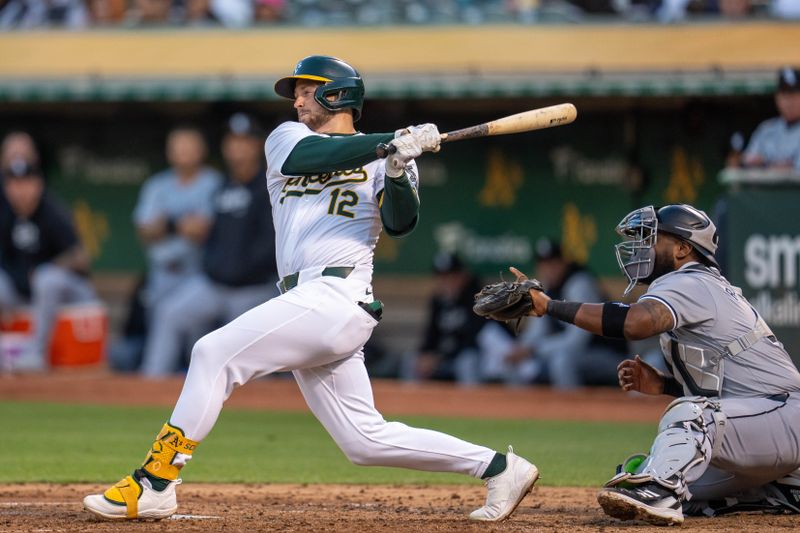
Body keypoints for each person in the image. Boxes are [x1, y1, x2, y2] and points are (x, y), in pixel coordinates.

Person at [83, 55, 538, 522]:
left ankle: (156, 480)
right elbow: (310, 158)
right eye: (297, 90)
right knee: (364, 440)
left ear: (338, 94)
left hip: (338, 294)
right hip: (303, 300)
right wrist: (388, 143)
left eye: (306, 88)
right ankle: (501, 467)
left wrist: (399, 167)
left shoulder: (386, 159)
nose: (297, 98)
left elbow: (401, 224)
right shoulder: (287, 138)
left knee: (212, 353)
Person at [502, 203, 800, 525]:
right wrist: (664, 385)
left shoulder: (691, 280)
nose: (643, 247)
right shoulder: (700, 285)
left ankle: (661, 493)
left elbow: (635, 323)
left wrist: (549, 306)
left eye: (653, 238)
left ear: (684, 249)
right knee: (646, 470)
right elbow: (729, 387)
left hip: (785, 416)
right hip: (769, 426)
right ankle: (777, 489)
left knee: (688, 419)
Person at [138, 113, 279, 377]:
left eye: (244, 141)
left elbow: (271, 247)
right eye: (232, 141)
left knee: (242, 347)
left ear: (257, 145)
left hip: (253, 290)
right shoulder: (221, 185)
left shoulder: (270, 187)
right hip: (214, 286)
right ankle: (151, 384)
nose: (237, 148)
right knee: (170, 313)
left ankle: (255, 402)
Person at [0, 134, 96, 371]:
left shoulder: (52, 210)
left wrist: (50, 267)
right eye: (14, 183)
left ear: (38, 184)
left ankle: (37, 354)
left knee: (47, 278)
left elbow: (82, 258)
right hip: (22, 292)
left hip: (68, 293)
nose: (20, 190)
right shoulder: (4, 213)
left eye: (26, 182)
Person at [482, 238, 627, 388]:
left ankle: (572, 410)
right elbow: (537, 331)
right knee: (515, 362)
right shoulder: (546, 288)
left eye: (553, 263)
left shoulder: (580, 283)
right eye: (543, 264)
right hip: (571, 353)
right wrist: (519, 349)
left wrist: (533, 350)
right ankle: (525, 411)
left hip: (606, 353)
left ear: (563, 262)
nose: (548, 269)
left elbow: (577, 342)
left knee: (562, 361)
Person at [132, 126, 221, 370]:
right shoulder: (157, 185)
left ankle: (195, 389)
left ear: (201, 151)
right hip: (161, 274)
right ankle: (154, 390)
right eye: (177, 148)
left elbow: (201, 229)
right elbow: (145, 230)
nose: (183, 153)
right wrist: (180, 224)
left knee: (197, 342)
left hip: (197, 273)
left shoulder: (212, 182)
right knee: (159, 332)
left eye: (188, 147)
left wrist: (167, 224)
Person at [401, 251, 491, 385]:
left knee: (467, 362)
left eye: (451, 276)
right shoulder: (437, 301)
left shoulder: (477, 299)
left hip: (467, 357)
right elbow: (431, 334)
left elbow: (473, 338)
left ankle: (472, 405)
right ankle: (412, 405)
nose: (446, 281)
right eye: (441, 277)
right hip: (441, 359)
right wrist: (425, 354)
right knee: (411, 361)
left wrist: (439, 358)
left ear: (462, 275)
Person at [741, 67, 800, 172]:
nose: (789, 102)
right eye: (784, 95)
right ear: (777, 98)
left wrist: (767, 164)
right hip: (765, 188)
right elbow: (748, 161)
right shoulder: (766, 129)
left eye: (793, 95)